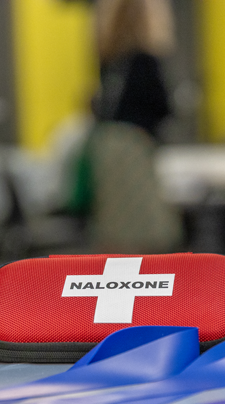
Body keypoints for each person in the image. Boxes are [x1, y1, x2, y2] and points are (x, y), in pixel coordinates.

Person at [80, 0, 183, 253]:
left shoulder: (109, 58)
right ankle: (147, 287)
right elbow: (162, 106)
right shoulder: (145, 60)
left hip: (107, 146)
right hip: (133, 147)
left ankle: (111, 284)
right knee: (147, 231)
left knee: (114, 228)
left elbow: (97, 106)